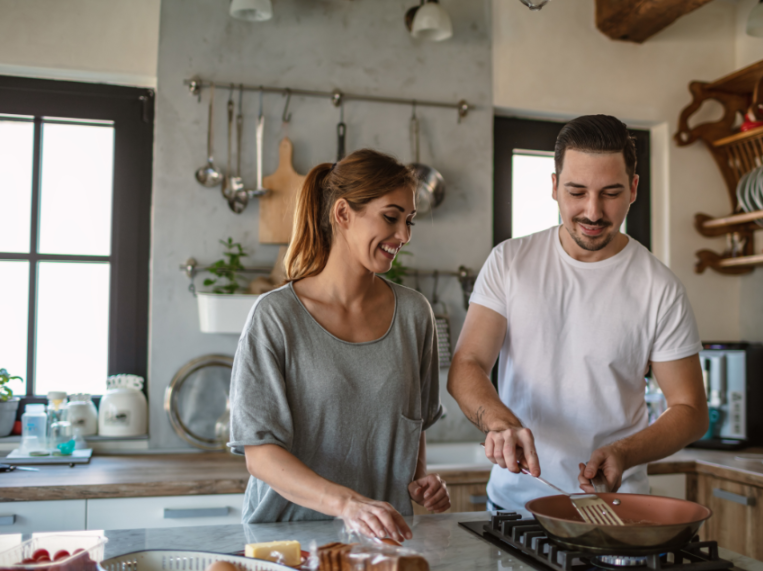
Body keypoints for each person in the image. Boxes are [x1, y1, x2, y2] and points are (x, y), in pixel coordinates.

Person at [448, 115, 708, 510]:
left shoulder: (660, 287)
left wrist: (625, 452)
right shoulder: (510, 262)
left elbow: (689, 410)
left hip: (615, 508)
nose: (592, 211)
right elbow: (467, 363)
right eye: (577, 192)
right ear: (554, 187)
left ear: (634, 189)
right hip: (515, 507)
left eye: (611, 193)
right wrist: (502, 425)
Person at [229, 148, 450, 540]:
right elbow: (260, 455)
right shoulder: (275, 317)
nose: (404, 235)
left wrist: (418, 478)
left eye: (409, 220)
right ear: (343, 213)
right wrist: (347, 504)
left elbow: (412, 424)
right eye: (391, 217)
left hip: (381, 540)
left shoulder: (416, 315)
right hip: (286, 542)